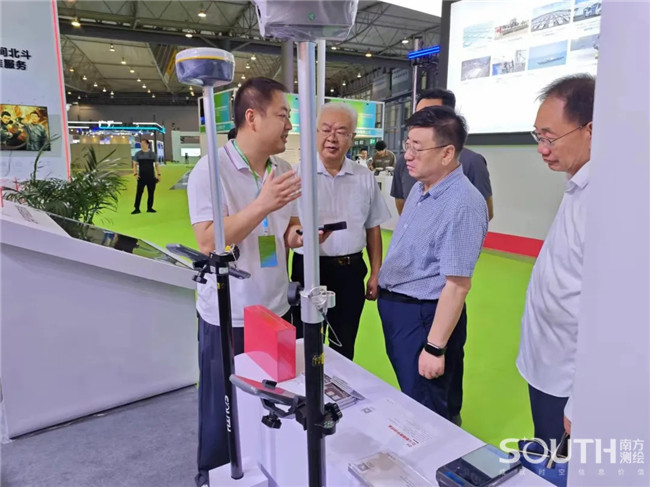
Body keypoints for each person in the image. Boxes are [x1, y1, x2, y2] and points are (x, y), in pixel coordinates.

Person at [187, 77, 313, 487]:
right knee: (223, 404)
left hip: (275, 307)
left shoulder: (283, 169)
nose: (289, 124)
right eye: (283, 115)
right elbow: (208, 241)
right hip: (230, 313)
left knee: (270, 399)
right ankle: (212, 475)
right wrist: (262, 204)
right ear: (252, 118)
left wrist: (299, 235)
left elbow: (286, 228)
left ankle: (266, 468)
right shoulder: (211, 169)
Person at [378, 106, 488, 424]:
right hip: (402, 311)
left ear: (447, 153)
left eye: (418, 147)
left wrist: (435, 347)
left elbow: (457, 285)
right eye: (407, 145)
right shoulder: (420, 188)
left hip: (424, 317)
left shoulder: (462, 203)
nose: (408, 155)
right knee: (419, 395)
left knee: (427, 408)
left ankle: (438, 452)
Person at [517, 74, 595, 446]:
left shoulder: (606, 198)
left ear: (590, 130)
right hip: (547, 364)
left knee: (563, 462)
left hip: (569, 380)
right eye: (538, 137)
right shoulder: (579, 183)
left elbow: (614, 314)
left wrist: (582, 401)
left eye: (549, 137)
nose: (542, 149)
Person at [290, 102, 390, 360]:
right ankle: (308, 386)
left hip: (350, 271)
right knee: (305, 341)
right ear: (315, 133)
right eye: (326, 130)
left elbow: (373, 227)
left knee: (344, 344)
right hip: (308, 270)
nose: (332, 138)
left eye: (341, 131)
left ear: (352, 138)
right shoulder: (297, 176)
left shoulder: (364, 177)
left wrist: (375, 273)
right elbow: (285, 229)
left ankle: (338, 386)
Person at [391, 88, 494, 220]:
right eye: (418, 114)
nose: (420, 121)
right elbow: (401, 204)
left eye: (430, 115)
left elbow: (484, 212)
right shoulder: (404, 161)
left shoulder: (472, 162)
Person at [131, 139, 161, 214]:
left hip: (151, 177)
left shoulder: (152, 154)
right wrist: (135, 174)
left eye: (143, 143)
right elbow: (134, 164)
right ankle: (137, 208)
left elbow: (157, 165)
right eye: (141, 144)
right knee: (139, 193)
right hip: (141, 177)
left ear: (147, 144)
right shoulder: (138, 154)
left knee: (151, 193)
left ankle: (149, 208)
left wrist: (159, 174)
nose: (142, 145)